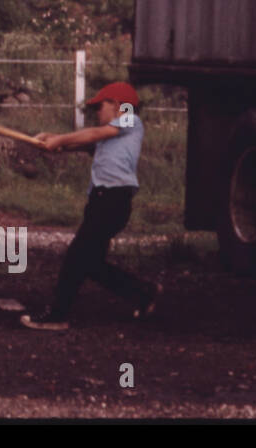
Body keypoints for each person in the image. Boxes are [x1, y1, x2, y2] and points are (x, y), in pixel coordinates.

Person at [20, 81, 161, 330]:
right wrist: (52, 142)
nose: (97, 112)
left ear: (118, 105)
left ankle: (58, 315)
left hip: (113, 200)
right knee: (90, 262)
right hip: (101, 201)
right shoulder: (113, 134)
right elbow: (83, 143)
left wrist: (60, 139)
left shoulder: (131, 121)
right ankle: (143, 292)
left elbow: (96, 134)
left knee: (76, 257)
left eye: (100, 106)